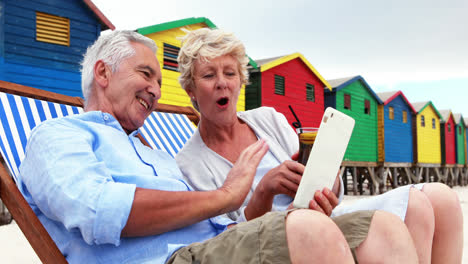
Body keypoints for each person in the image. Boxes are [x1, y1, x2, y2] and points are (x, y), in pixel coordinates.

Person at [17, 30, 418, 264]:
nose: (156, 90)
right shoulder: (59, 136)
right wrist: (229, 193)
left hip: (216, 243)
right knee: (310, 232)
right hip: (173, 259)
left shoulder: (152, 153)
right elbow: (97, 209)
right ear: (103, 72)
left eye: (159, 81)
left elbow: (229, 226)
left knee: (381, 229)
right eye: (146, 74)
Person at [175, 28, 463, 264]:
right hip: (282, 238)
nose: (222, 83)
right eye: (209, 75)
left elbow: (321, 182)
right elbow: (229, 240)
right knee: (392, 223)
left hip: (320, 215)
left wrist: (328, 183)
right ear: (191, 90)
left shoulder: (267, 119)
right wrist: (265, 190)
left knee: (439, 197)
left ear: (240, 81)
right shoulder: (189, 163)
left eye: (230, 73)